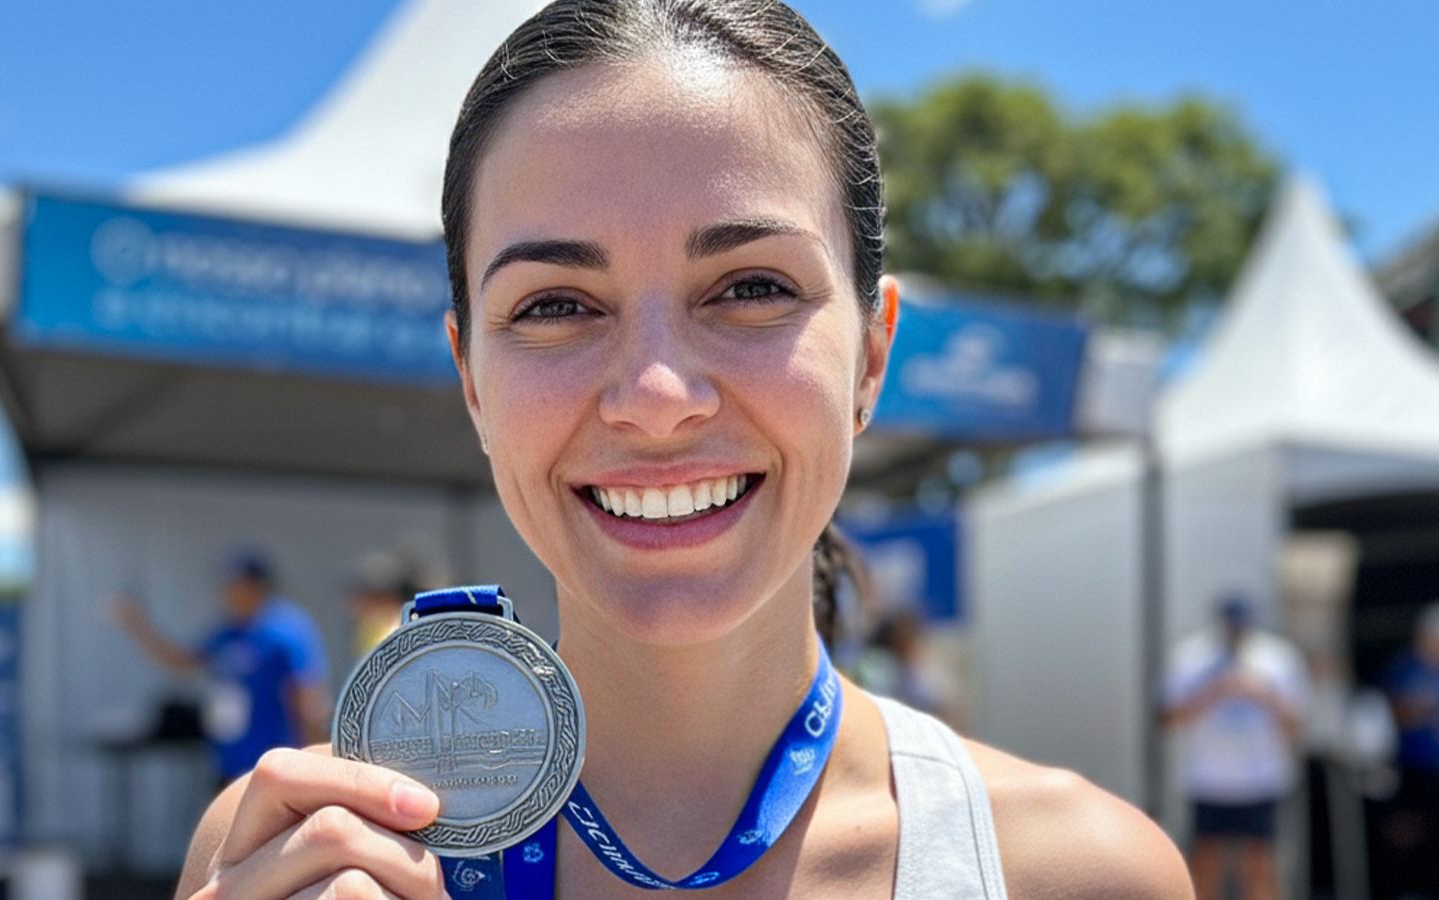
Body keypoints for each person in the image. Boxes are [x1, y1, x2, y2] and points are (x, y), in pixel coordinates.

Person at [173, 3, 1193, 898]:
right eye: (556, 305)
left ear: (873, 356)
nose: (657, 399)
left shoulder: (1079, 875)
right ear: (473, 380)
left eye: (752, 288)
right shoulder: (296, 854)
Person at [113, 549, 332, 782]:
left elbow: (309, 696)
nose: (227, 593)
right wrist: (138, 626)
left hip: (277, 764)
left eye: (236, 585)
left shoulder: (285, 630)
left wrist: (315, 763)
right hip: (231, 762)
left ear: (257, 586)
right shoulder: (227, 632)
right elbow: (182, 662)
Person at [1162, 596, 1308, 900]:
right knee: (1205, 860)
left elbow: (1296, 724)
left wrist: (1264, 695)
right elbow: (1168, 718)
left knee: (1260, 863)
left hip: (1259, 780)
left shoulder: (1277, 657)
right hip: (1208, 780)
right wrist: (1214, 691)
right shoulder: (1191, 655)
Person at [1375, 600, 1439, 897]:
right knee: (1408, 832)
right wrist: (1420, 709)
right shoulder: (1406, 666)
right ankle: (1408, 889)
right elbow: (1391, 710)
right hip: (1414, 767)